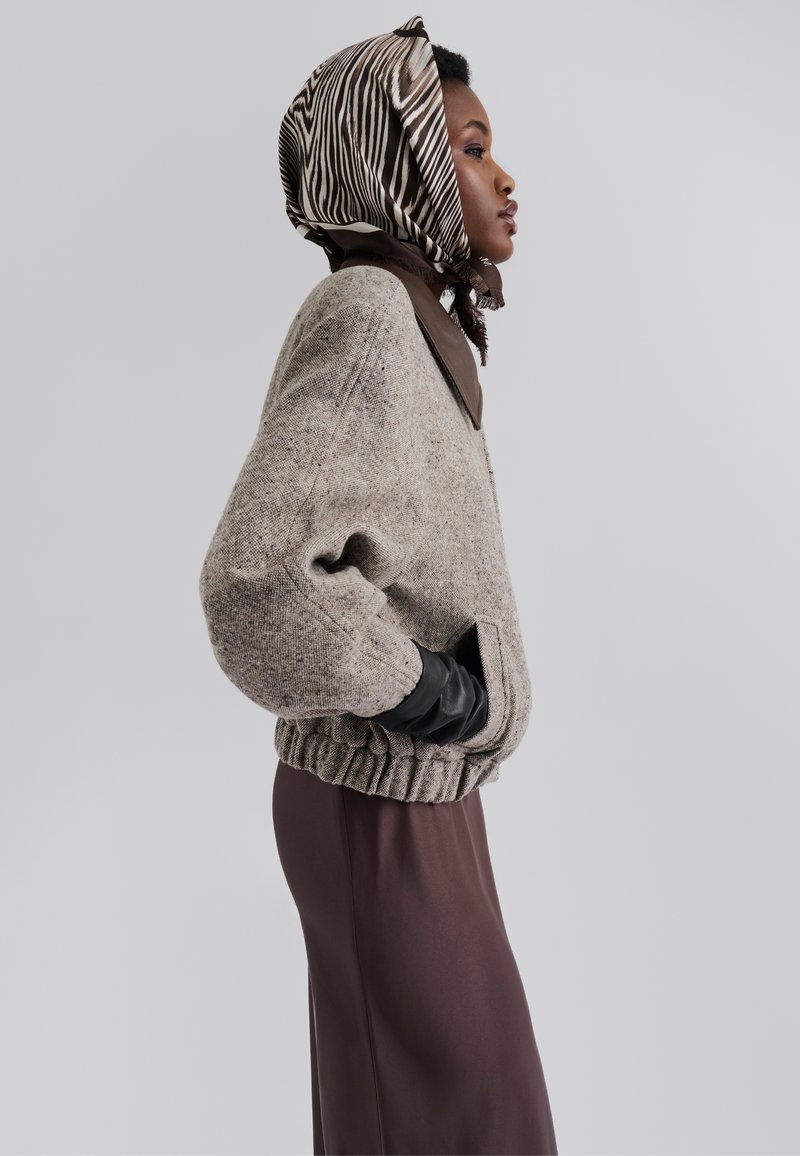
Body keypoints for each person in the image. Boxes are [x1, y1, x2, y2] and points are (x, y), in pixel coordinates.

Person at [199, 14, 558, 1155]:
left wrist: (442, 713)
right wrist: (420, 691)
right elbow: (255, 582)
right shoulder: (365, 316)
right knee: (457, 1126)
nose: (504, 177)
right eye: (471, 149)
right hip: (381, 808)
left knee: (444, 1120)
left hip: (424, 797)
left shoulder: (415, 319)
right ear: (396, 165)